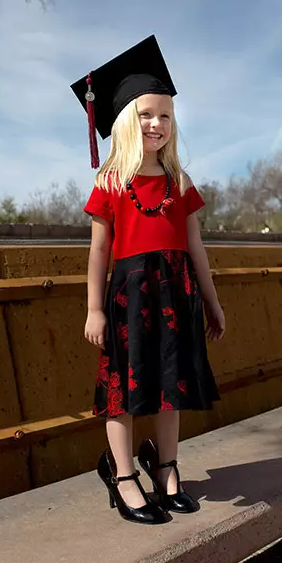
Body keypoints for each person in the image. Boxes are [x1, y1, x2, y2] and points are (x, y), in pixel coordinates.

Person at [71, 35, 225, 525]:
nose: (156, 123)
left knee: (170, 388)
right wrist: (94, 309)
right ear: (123, 122)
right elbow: (98, 251)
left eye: (164, 115)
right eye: (145, 114)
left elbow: (196, 246)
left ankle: (167, 469)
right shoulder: (112, 183)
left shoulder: (179, 182)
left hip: (177, 295)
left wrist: (212, 300)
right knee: (123, 389)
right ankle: (121, 477)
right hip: (130, 297)